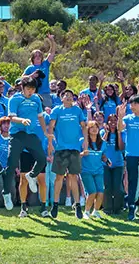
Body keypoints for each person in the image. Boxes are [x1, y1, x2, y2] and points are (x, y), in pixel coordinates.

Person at [6, 75, 49, 216]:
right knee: (17, 172)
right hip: (19, 138)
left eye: (33, 89)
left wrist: (46, 132)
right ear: (22, 88)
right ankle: (17, 202)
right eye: (28, 89)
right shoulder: (15, 99)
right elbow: (11, 117)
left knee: (42, 167)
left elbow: (41, 117)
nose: (30, 92)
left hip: (32, 139)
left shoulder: (36, 99)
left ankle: (43, 206)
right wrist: (22, 120)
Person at [47, 88, 87, 219]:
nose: (68, 97)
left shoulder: (77, 110)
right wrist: (50, 142)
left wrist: (85, 141)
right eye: (66, 95)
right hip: (60, 148)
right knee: (59, 177)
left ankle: (77, 205)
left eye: (70, 95)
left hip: (74, 148)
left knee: (73, 177)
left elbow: (83, 126)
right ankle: (56, 204)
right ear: (61, 98)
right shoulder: (57, 110)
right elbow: (51, 126)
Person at [81, 121, 107, 219]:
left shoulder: (103, 143)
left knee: (100, 192)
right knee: (92, 192)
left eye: (96, 127)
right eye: (92, 127)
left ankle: (95, 211)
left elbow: (103, 155)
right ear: (88, 130)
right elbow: (76, 155)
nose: (94, 129)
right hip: (86, 171)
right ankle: (86, 212)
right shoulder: (83, 141)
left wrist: (106, 160)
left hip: (99, 171)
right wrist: (82, 154)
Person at [102, 113, 126, 215]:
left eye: (115, 120)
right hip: (105, 164)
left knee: (117, 187)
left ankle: (118, 207)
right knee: (107, 187)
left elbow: (121, 148)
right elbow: (100, 147)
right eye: (110, 120)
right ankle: (107, 207)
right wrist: (107, 133)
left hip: (118, 164)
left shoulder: (122, 133)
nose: (113, 123)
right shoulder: (103, 132)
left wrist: (119, 133)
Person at [23, 33, 56, 107]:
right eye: (35, 56)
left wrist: (52, 41)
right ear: (32, 58)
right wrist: (31, 76)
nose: (37, 57)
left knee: (47, 112)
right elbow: (22, 78)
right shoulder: (30, 68)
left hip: (45, 94)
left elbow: (52, 52)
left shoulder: (45, 64)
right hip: (33, 94)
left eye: (39, 55)